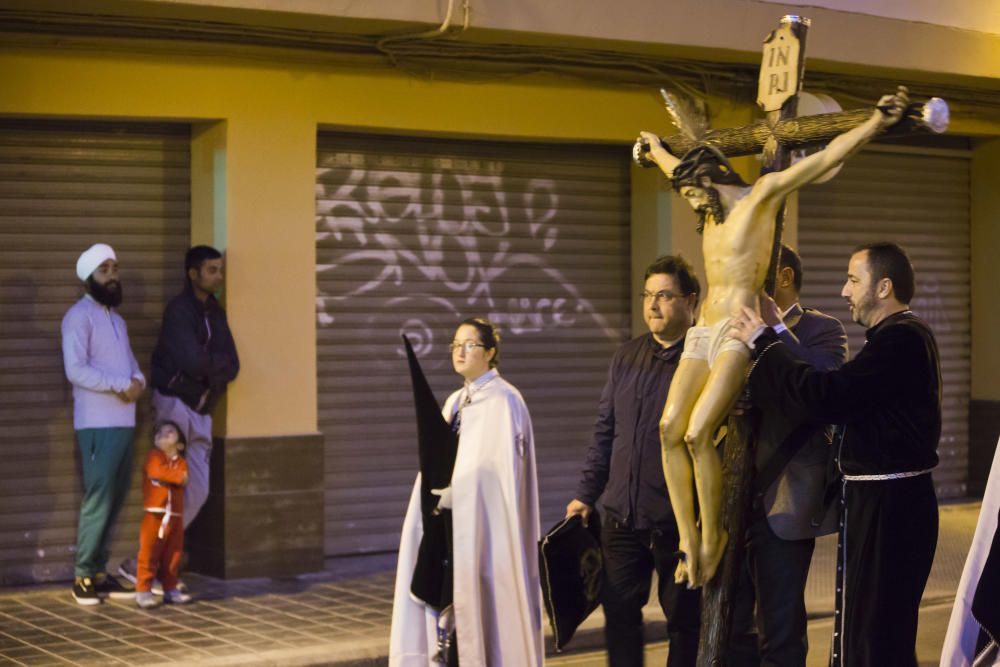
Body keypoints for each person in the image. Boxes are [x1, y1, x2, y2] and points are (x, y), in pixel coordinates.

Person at [638, 86, 910, 586]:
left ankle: (714, 537)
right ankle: (688, 538)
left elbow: (822, 157)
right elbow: (672, 168)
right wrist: (653, 145)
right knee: (668, 429)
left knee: (699, 433)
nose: (692, 201)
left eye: (695, 191)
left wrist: (873, 123)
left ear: (713, 176)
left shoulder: (758, 197)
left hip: (737, 330)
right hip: (703, 330)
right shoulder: (710, 208)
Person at [730, 242, 941, 667]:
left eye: (852, 279)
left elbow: (827, 397)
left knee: (876, 638)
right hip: (880, 506)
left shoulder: (902, 339)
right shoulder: (897, 337)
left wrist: (765, 342)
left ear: (883, 287)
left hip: (890, 510)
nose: (844, 291)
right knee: (867, 631)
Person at [566, 255, 702, 666]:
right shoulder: (626, 356)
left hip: (679, 522)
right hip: (621, 519)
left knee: (685, 622)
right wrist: (585, 495)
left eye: (664, 295)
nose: (652, 305)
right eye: (648, 295)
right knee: (620, 618)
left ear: (690, 301)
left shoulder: (703, 361)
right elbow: (605, 432)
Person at [390, 318, 542, 666]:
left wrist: (464, 494)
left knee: (483, 611)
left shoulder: (505, 402)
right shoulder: (456, 402)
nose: (460, 351)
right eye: (455, 344)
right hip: (450, 527)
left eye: (469, 344)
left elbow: (501, 475)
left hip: (484, 532)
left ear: (490, 352)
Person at [729, 244, 848, 666]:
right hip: (729, 501)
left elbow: (822, 384)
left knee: (779, 633)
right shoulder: (730, 324)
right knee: (729, 629)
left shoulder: (822, 328)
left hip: (785, 497)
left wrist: (774, 331)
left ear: (782, 276)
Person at [119, 245, 239, 589]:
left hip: (202, 412)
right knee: (165, 494)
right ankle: (144, 567)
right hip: (173, 405)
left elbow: (234, 364)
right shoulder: (178, 311)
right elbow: (192, 361)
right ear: (193, 274)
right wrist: (212, 368)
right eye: (212, 270)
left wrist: (210, 369)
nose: (219, 276)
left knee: (197, 491)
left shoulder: (216, 313)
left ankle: (147, 562)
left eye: (220, 270)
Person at [61, 242, 144, 605]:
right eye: (104, 269)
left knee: (115, 497)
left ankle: (97, 571)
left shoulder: (117, 320)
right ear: (89, 277)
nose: (113, 275)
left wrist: (138, 381)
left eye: (115, 268)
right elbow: (75, 370)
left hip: (124, 421)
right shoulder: (79, 317)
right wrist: (119, 385)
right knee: (98, 498)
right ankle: (82, 576)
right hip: (97, 424)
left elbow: (129, 364)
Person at [135, 421, 191, 609]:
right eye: (159, 431)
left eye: (171, 431)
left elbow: (183, 478)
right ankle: (143, 590)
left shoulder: (181, 462)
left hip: (175, 516)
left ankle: (170, 589)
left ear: (180, 444)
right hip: (155, 516)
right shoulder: (153, 456)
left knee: (173, 555)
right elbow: (157, 471)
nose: (164, 433)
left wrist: (172, 477)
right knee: (149, 552)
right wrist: (173, 477)